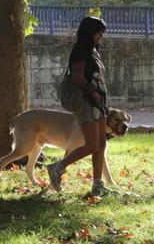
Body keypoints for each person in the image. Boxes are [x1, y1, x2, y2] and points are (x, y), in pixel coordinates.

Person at [48, 16, 114, 196]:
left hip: (98, 103)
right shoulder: (80, 50)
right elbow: (78, 77)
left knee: (101, 143)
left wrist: (100, 98)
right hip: (86, 102)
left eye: (102, 32)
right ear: (89, 32)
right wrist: (92, 93)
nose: (101, 35)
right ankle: (57, 167)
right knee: (92, 145)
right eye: (99, 32)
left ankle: (98, 185)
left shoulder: (93, 50)